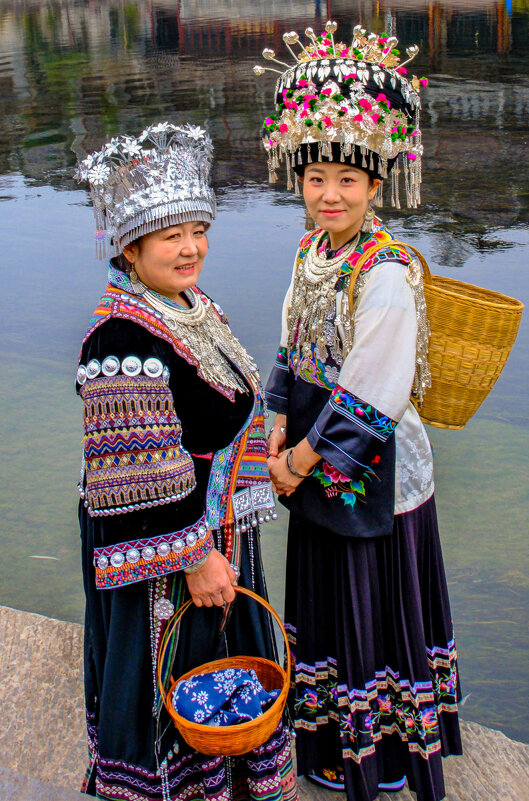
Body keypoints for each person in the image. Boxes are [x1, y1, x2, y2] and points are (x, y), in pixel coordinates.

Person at [254, 21, 462, 801]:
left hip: (361, 459)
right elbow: (290, 347)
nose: (329, 195)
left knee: (369, 605)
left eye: (346, 179)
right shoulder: (313, 254)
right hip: (309, 450)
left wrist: (296, 463)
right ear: (299, 181)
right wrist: (276, 424)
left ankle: (379, 753)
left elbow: (371, 396)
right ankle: (327, 739)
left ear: (377, 186)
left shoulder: (387, 271)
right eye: (316, 179)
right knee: (325, 604)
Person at [74, 122, 296, 801]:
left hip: (214, 526)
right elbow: (142, 476)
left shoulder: (192, 307)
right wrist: (198, 557)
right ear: (131, 247)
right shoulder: (118, 341)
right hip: (169, 552)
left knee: (215, 671)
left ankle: (221, 778)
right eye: (171, 236)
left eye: (197, 230)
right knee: (165, 675)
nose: (191, 247)